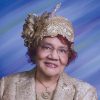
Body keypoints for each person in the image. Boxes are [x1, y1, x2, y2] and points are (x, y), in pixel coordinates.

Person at [0, 3, 98, 100]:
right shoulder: (6, 85)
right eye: (47, 47)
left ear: (69, 55)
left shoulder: (85, 93)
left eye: (62, 50)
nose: (54, 56)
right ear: (35, 49)